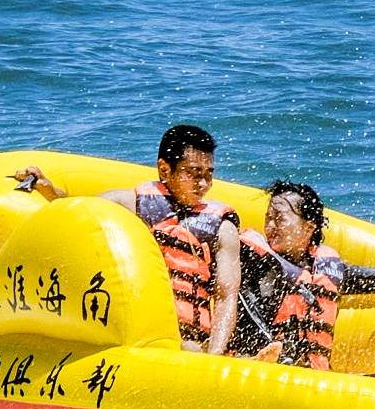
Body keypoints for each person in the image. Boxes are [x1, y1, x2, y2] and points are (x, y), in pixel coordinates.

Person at [14, 124, 242, 355]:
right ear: (164, 170)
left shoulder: (222, 228)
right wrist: (49, 191)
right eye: (193, 173)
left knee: (190, 347)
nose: (203, 184)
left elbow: (226, 296)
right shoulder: (130, 204)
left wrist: (214, 356)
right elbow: (79, 211)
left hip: (193, 340)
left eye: (208, 174)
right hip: (139, 332)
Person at [230, 180, 375, 370]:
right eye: (268, 217)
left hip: (308, 374)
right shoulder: (250, 260)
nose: (270, 226)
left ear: (309, 227)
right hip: (253, 364)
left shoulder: (329, 271)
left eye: (279, 218)